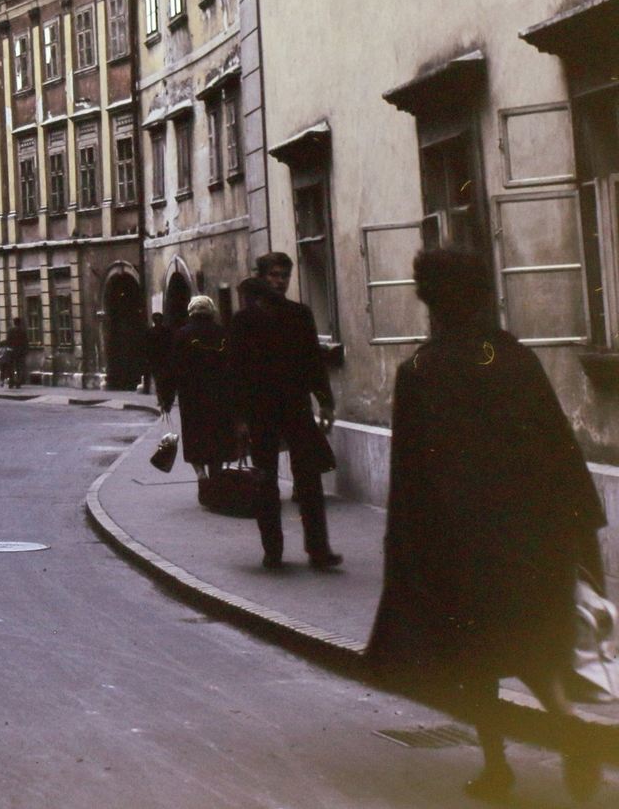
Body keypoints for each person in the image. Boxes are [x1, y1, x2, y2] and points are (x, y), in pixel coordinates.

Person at [366, 250, 606, 803]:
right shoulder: (515, 358)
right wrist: (582, 527)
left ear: (430, 302)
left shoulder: (420, 373)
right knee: (533, 645)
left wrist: (404, 554)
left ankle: (497, 767)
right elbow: (557, 446)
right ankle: (571, 729)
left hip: (461, 543)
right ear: (478, 296)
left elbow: (411, 480)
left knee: (476, 660)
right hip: (532, 537)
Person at [228, 252, 339, 570]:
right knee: (266, 483)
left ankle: (318, 550)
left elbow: (314, 363)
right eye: (274, 275)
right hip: (260, 412)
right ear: (262, 277)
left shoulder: (300, 314)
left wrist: (326, 400)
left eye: (284, 276)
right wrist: (239, 419)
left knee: (310, 482)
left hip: (296, 408)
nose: (280, 281)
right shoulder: (244, 321)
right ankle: (273, 551)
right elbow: (235, 372)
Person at [163, 295, 235, 478]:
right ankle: (216, 476)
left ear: (191, 312)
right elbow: (232, 366)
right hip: (219, 395)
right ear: (211, 312)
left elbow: (172, 369)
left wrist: (167, 399)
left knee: (195, 437)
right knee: (217, 436)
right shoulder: (222, 334)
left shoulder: (181, 335)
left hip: (191, 396)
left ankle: (201, 474)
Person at [144, 311, 175, 401]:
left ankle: (161, 398)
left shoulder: (151, 332)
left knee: (159, 379)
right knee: (162, 379)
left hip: (158, 359)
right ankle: (163, 397)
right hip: (161, 358)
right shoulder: (167, 331)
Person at [4, 320, 29, 389]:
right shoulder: (23, 331)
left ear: (14, 323)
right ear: (19, 323)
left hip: (11, 351)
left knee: (11, 368)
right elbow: (26, 342)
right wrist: (26, 351)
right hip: (20, 352)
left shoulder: (10, 330)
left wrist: (8, 348)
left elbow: (7, 340)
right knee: (19, 368)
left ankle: (11, 383)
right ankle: (18, 384)